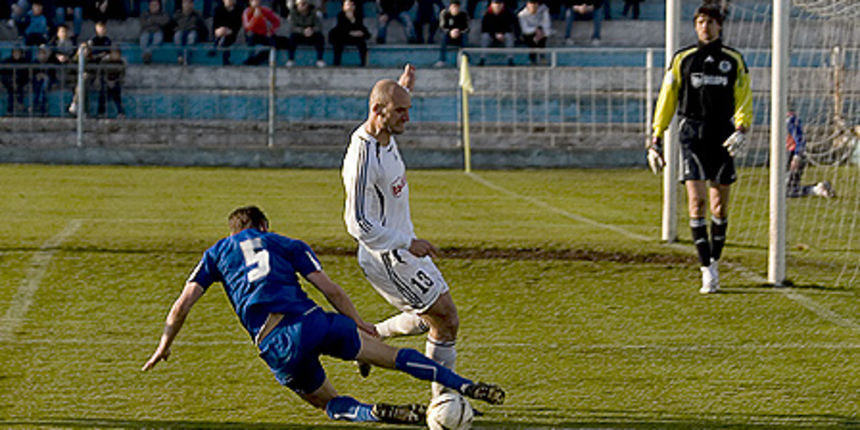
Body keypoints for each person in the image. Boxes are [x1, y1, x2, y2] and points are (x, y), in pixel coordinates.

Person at [141, 206, 505, 425]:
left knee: (327, 402)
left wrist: (164, 344)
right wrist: (360, 323)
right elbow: (330, 289)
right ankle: (463, 385)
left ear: (233, 231)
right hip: (317, 322)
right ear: (264, 226)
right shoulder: (286, 243)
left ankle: (372, 413)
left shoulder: (217, 252)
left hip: (276, 342)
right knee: (394, 358)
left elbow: (181, 305)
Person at [342, 65, 468, 400]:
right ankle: (444, 401)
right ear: (377, 111)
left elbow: (391, 98)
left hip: (403, 250)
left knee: (432, 318)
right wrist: (407, 243)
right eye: (401, 111)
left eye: (408, 110)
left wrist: (403, 88)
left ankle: (371, 337)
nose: (407, 118)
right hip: (388, 257)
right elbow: (357, 224)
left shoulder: (385, 133)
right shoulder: (362, 157)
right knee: (445, 318)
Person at [647, 3, 752, 294]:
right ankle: (707, 270)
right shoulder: (682, 59)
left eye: (710, 22)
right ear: (695, 25)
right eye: (700, 21)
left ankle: (714, 260)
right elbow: (666, 99)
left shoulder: (733, 60)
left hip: (722, 133)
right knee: (697, 203)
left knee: (719, 206)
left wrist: (742, 128)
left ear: (720, 26)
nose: (705, 26)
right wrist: (656, 137)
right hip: (691, 133)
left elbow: (743, 97)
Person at [786, 111, 835, 198]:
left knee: (786, 191)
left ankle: (817, 189)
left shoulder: (790, 119)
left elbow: (800, 139)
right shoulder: (783, 117)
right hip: (786, 156)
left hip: (792, 156)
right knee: (784, 189)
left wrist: (797, 156)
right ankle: (818, 188)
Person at [328, 0, 370, 67]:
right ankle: (336, 63)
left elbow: (360, 27)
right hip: (343, 37)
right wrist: (351, 33)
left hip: (355, 38)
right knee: (338, 43)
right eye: (348, 5)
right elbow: (341, 29)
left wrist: (353, 20)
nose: (350, 7)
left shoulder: (358, 15)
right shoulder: (340, 15)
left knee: (362, 43)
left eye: (352, 5)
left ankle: (363, 63)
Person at [286, 0, 325, 67]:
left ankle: (320, 60)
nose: (302, 6)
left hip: (311, 34)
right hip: (299, 34)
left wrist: (311, 30)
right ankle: (291, 60)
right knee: (292, 37)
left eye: (304, 4)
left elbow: (318, 26)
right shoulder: (293, 13)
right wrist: (302, 31)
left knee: (320, 37)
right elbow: (292, 27)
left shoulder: (313, 13)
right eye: (300, 4)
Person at [478, 0, 515, 66]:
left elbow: (509, 27)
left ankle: (510, 59)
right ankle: (482, 58)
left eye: (499, 4)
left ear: (503, 4)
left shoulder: (508, 13)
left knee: (509, 36)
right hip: (491, 36)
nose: (497, 6)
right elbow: (485, 29)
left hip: (503, 36)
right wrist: (494, 35)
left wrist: (502, 33)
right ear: (491, 4)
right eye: (495, 4)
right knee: (484, 37)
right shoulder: (487, 14)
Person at [242, 0, 280, 65]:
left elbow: (276, 22)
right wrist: (255, 18)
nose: (256, 2)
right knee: (250, 36)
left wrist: (271, 31)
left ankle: (260, 60)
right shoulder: (247, 12)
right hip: (252, 34)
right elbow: (247, 27)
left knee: (273, 43)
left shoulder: (264, 10)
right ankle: (250, 59)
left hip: (263, 34)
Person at [171, 0, 207, 64]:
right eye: (185, 3)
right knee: (177, 36)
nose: (187, 5)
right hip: (180, 31)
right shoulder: (177, 15)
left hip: (192, 31)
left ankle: (186, 58)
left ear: (192, 4)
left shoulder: (197, 15)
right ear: (182, 4)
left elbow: (202, 27)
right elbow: (172, 26)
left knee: (191, 37)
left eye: (189, 3)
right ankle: (180, 56)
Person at [435, 0, 468, 67]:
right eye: (453, 7)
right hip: (448, 36)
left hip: (459, 35)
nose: (455, 9)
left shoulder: (463, 15)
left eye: (457, 7)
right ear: (450, 7)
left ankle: (464, 59)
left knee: (465, 37)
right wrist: (450, 32)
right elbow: (442, 27)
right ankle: (442, 60)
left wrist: (458, 31)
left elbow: (466, 28)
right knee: (443, 36)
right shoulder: (445, 14)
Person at [518, 0, 550, 65]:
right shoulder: (522, 14)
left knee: (541, 36)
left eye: (535, 3)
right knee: (532, 38)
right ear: (527, 5)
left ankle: (542, 56)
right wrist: (535, 30)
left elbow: (547, 25)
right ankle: (532, 58)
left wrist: (542, 32)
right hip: (528, 35)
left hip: (540, 33)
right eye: (531, 3)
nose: (533, 5)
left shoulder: (544, 11)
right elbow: (525, 29)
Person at [211, 0, 243, 65]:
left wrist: (230, 31)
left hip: (235, 34)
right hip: (220, 33)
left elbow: (238, 26)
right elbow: (214, 26)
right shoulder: (218, 9)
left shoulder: (240, 10)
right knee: (222, 37)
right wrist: (218, 31)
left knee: (226, 39)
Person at [96, 46, 124, 117]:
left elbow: (122, 75)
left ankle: (121, 112)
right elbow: (100, 73)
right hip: (105, 81)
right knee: (103, 93)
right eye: (114, 54)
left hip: (115, 81)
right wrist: (107, 81)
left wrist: (115, 81)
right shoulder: (104, 61)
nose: (116, 56)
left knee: (116, 93)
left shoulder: (121, 62)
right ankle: (101, 112)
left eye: (117, 54)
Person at [1, 46, 29, 115]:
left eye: (18, 52)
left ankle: (21, 107)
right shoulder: (7, 61)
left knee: (19, 90)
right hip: (9, 83)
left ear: (21, 53)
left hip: (21, 84)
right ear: (12, 53)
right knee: (11, 91)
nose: (16, 54)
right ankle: (10, 110)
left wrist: (18, 82)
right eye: (15, 52)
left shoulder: (24, 62)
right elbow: (3, 74)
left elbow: (26, 75)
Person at [31, 44, 56, 115]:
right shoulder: (34, 62)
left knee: (44, 83)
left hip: (48, 82)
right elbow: (31, 73)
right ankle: (40, 105)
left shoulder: (51, 62)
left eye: (44, 53)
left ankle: (37, 104)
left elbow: (52, 74)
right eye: (40, 53)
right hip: (36, 82)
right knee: (40, 84)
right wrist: (38, 75)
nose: (42, 55)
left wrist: (45, 76)